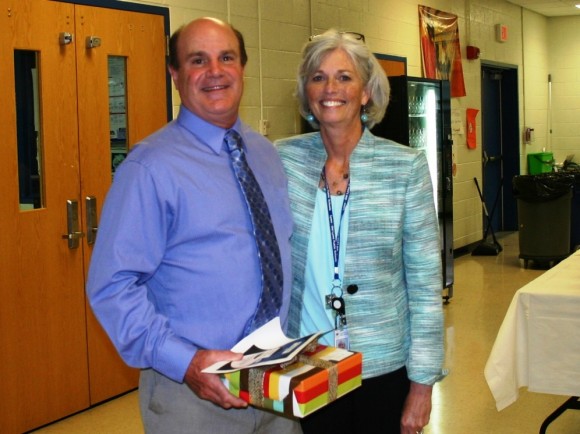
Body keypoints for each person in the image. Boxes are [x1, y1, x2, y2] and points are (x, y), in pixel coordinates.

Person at [87, 17, 300, 434]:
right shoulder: (150, 167)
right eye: (197, 60)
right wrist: (184, 362)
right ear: (175, 74)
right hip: (193, 395)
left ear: (242, 67)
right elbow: (112, 285)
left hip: (273, 379)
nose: (215, 72)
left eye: (226, 58)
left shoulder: (265, 154)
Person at [275, 29, 446, 434]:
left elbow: (424, 286)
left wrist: (422, 385)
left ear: (366, 92)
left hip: (383, 365)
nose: (330, 88)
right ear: (306, 93)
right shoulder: (284, 159)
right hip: (307, 362)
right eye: (317, 77)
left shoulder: (404, 167)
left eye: (344, 77)